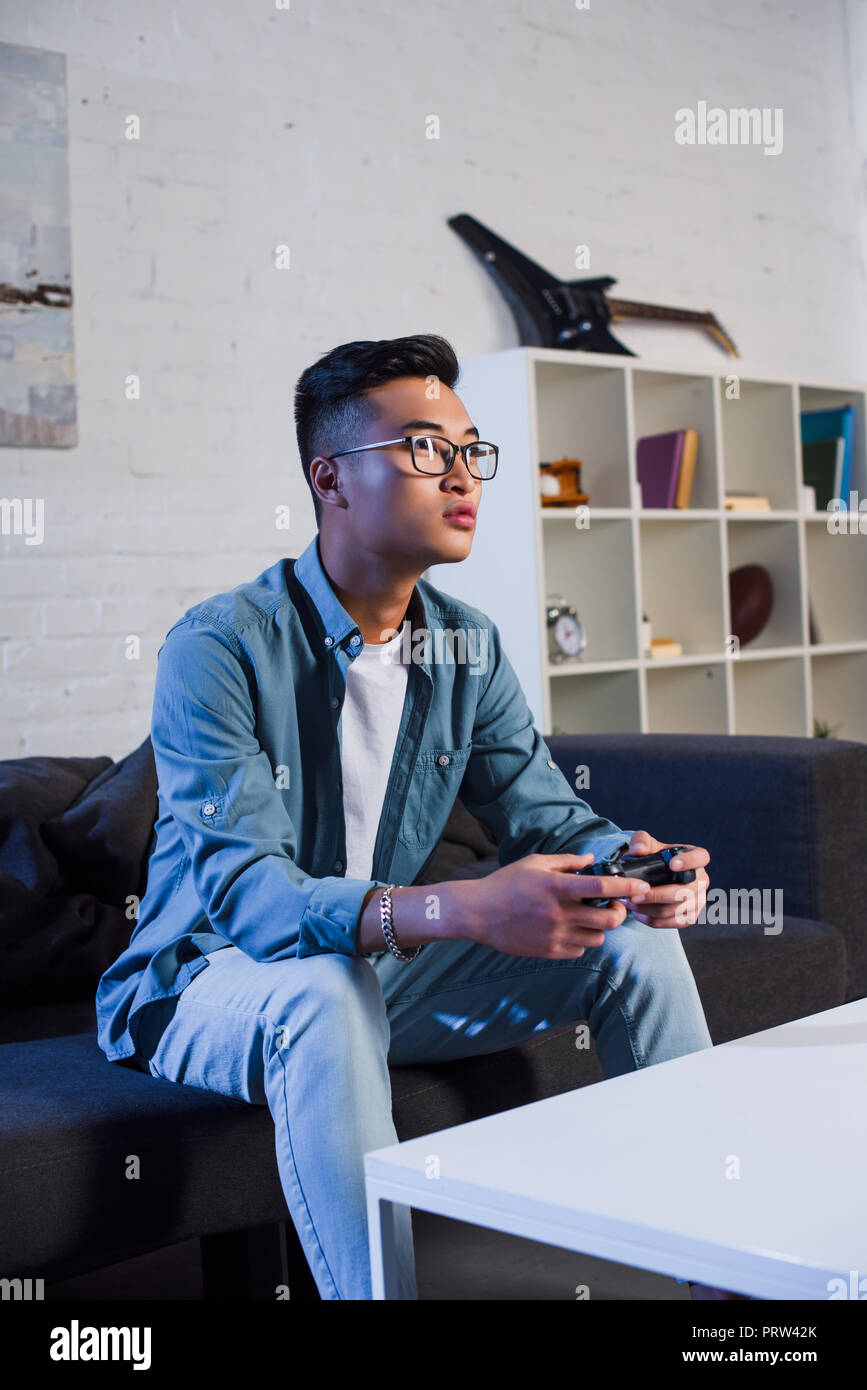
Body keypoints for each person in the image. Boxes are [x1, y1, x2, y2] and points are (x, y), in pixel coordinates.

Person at [96, 332, 741, 1301]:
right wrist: (463, 908)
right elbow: (251, 896)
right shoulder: (219, 645)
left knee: (632, 943)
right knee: (321, 989)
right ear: (331, 478)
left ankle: (725, 1289)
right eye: (424, 448)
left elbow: (541, 808)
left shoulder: (464, 644)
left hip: (376, 976)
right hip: (204, 982)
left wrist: (627, 862)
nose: (461, 475)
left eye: (471, 450)